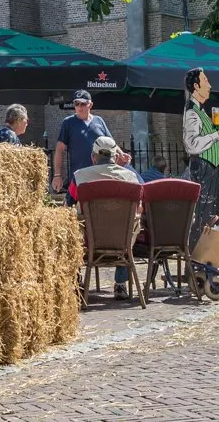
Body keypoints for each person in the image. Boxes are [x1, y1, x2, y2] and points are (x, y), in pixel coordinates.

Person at [73, 134, 142, 299]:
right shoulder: (131, 178)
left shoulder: (79, 177)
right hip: (121, 240)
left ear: (93, 157)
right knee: (132, 223)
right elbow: (139, 207)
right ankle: (120, 283)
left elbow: (71, 205)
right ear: (116, 156)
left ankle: (76, 281)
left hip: (89, 239)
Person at [183, 68, 219, 244]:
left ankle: (201, 262)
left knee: (208, 218)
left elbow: (206, 148)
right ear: (196, 86)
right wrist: (217, 134)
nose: (210, 85)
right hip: (202, 170)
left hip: (209, 169)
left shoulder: (201, 111)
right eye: (205, 81)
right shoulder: (192, 111)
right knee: (201, 217)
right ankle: (193, 262)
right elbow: (191, 145)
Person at [52, 91, 125, 200]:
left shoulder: (99, 121)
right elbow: (59, 149)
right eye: (76, 104)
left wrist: (121, 154)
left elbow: (111, 142)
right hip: (79, 178)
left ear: (90, 105)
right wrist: (57, 175)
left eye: (83, 104)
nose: (79, 107)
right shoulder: (68, 123)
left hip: (101, 176)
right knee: (76, 211)